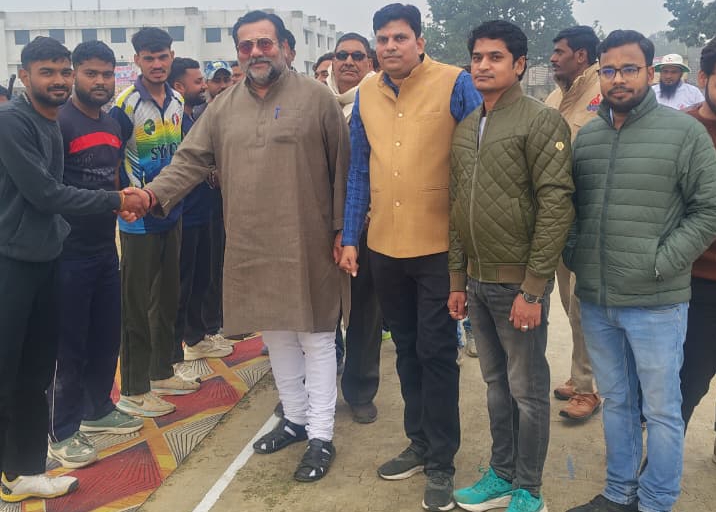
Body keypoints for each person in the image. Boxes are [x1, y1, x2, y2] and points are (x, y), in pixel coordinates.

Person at [129, 10, 350, 483]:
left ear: (283, 46)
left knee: (316, 336)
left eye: (264, 43)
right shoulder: (223, 107)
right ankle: (295, 418)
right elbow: (190, 160)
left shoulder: (316, 99)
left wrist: (343, 232)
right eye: (246, 46)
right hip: (250, 240)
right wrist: (151, 196)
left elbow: (343, 170)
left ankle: (321, 434)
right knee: (277, 332)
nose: (256, 53)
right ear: (238, 53)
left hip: (309, 239)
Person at [564, 30, 716, 512]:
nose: (618, 79)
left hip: (656, 302)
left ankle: (656, 501)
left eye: (630, 69)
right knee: (618, 402)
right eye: (609, 70)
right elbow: (572, 207)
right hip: (598, 299)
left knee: (662, 410)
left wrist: (662, 262)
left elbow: (708, 209)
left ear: (650, 73)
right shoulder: (589, 138)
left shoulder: (683, 133)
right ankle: (619, 492)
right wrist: (575, 253)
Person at [339, 4, 481, 511]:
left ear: (420, 42)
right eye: (383, 39)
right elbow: (359, 170)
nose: (390, 46)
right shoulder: (366, 94)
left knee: (436, 353)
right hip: (385, 248)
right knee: (404, 349)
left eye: (400, 37)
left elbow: (477, 157)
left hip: (440, 248)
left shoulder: (455, 84)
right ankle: (418, 443)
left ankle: (442, 461)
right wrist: (351, 236)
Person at [0, 36, 144, 503]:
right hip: (11, 262)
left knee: (35, 372)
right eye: (48, 72)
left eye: (63, 71)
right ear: (24, 76)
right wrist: (116, 200)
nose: (59, 80)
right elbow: (45, 193)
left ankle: (22, 472)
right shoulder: (12, 122)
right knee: (8, 371)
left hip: (46, 257)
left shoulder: (48, 121)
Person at [449, 21, 573, 512]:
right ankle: (501, 475)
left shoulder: (540, 121)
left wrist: (533, 288)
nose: (483, 65)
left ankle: (529, 489)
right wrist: (457, 280)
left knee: (528, 391)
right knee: (496, 386)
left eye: (495, 57)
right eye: (477, 57)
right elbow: (458, 207)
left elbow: (556, 205)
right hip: (477, 283)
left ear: (519, 64)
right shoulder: (466, 127)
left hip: (518, 286)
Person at [47, 40, 144, 471]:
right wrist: (112, 199)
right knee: (69, 346)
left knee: (106, 335)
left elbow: (113, 177)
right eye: (91, 73)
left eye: (106, 74)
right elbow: (52, 191)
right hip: (67, 252)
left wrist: (122, 202)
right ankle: (62, 430)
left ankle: (98, 408)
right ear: (74, 75)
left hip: (105, 246)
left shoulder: (113, 123)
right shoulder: (59, 124)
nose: (100, 81)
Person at [111, 27, 199, 418]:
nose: (157, 64)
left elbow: (182, 155)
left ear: (171, 56)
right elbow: (113, 159)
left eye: (162, 56)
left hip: (172, 211)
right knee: (136, 304)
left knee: (167, 298)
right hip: (138, 221)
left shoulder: (178, 100)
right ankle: (133, 388)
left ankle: (161, 371)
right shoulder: (125, 105)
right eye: (149, 58)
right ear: (137, 61)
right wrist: (121, 201)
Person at [545, 25, 603, 422]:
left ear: (581, 56)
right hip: (558, 216)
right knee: (568, 302)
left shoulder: (603, 93)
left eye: (559, 52)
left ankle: (588, 389)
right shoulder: (554, 97)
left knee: (584, 307)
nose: (553, 58)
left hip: (591, 218)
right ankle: (582, 374)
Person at [325, 32, 381, 423]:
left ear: (370, 63)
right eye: (341, 54)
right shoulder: (315, 102)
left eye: (357, 55)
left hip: (368, 223)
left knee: (364, 312)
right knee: (319, 314)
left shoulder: (379, 101)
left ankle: (360, 390)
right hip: (320, 225)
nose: (348, 61)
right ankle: (316, 390)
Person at [168, 57, 232, 384]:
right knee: (180, 286)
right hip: (185, 213)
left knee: (202, 279)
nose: (205, 86)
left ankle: (197, 337)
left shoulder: (196, 117)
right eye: (199, 82)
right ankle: (173, 355)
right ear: (180, 86)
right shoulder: (176, 121)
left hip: (206, 210)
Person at [680, 37, 716, 464]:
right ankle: (655, 478)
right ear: (703, 77)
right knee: (686, 385)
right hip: (699, 282)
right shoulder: (682, 132)